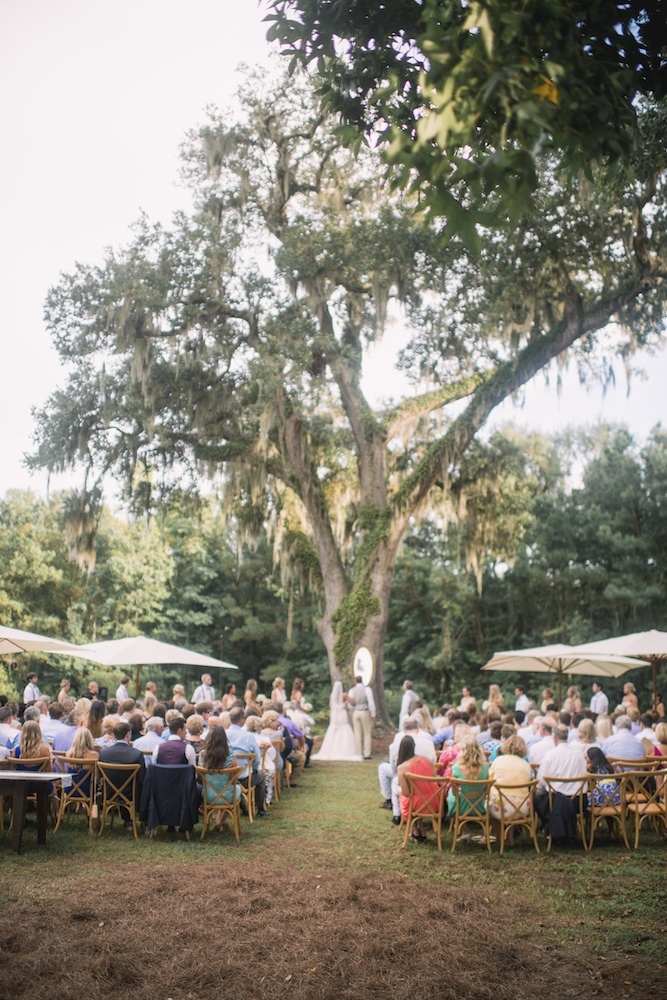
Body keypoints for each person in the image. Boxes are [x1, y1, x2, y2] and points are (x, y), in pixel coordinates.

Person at [98, 720, 146, 828]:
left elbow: (100, 776)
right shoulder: (136, 754)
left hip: (109, 792)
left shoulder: (104, 753)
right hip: (131, 794)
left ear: (114, 735)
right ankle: (143, 820)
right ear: (128, 734)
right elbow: (143, 778)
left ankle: (128, 820)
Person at [488, 735, 532, 844]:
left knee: (490, 804)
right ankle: (510, 838)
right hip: (523, 808)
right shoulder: (526, 765)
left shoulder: (498, 761)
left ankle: (499, 837)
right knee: (512, 798)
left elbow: (489, 779)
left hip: (499, 807)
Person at [198, 725, 241, 829]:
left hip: (207, 796)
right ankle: (220, 821)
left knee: (223, 788)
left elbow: (200, 777)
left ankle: (220, 822)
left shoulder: (203, 755)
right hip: (227, 796)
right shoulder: (230, 755)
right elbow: (233, 779)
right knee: (234, 789)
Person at [396, 735, 437, 843]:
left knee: (405, 796)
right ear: (414, 746)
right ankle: (420, 827)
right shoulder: (427, 760)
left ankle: (414, 829)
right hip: (434, 801)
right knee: (419, 795)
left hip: (417, 804)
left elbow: (406, 793)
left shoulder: (402, 768)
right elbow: (434, 778)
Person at [446, 738, 489, 838]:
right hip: (480, 805)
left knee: (450, 797)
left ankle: (464, 830)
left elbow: (454, 792)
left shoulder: (456, 768)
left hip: (462, 807)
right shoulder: (485, 767)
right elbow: (487, 789)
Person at [312, 681, 361, 762]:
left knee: (334, 730)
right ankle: (344, 750)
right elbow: (352, 702)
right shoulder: (344, 695)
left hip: (335, 715)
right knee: (343, 729)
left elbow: (331, 706)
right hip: (342, 714)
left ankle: (332, 749)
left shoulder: (332, 696)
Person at [344, 675, 372, 758]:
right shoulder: (367, 689)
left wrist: (353, 708)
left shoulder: (352, 690)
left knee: (357, 733)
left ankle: (358, 753)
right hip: (364, 711)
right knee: (367, 733)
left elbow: (349, 703)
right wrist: (373, 713)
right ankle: (367, 753)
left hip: (355, 712)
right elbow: (371, 702)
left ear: (355, 681)